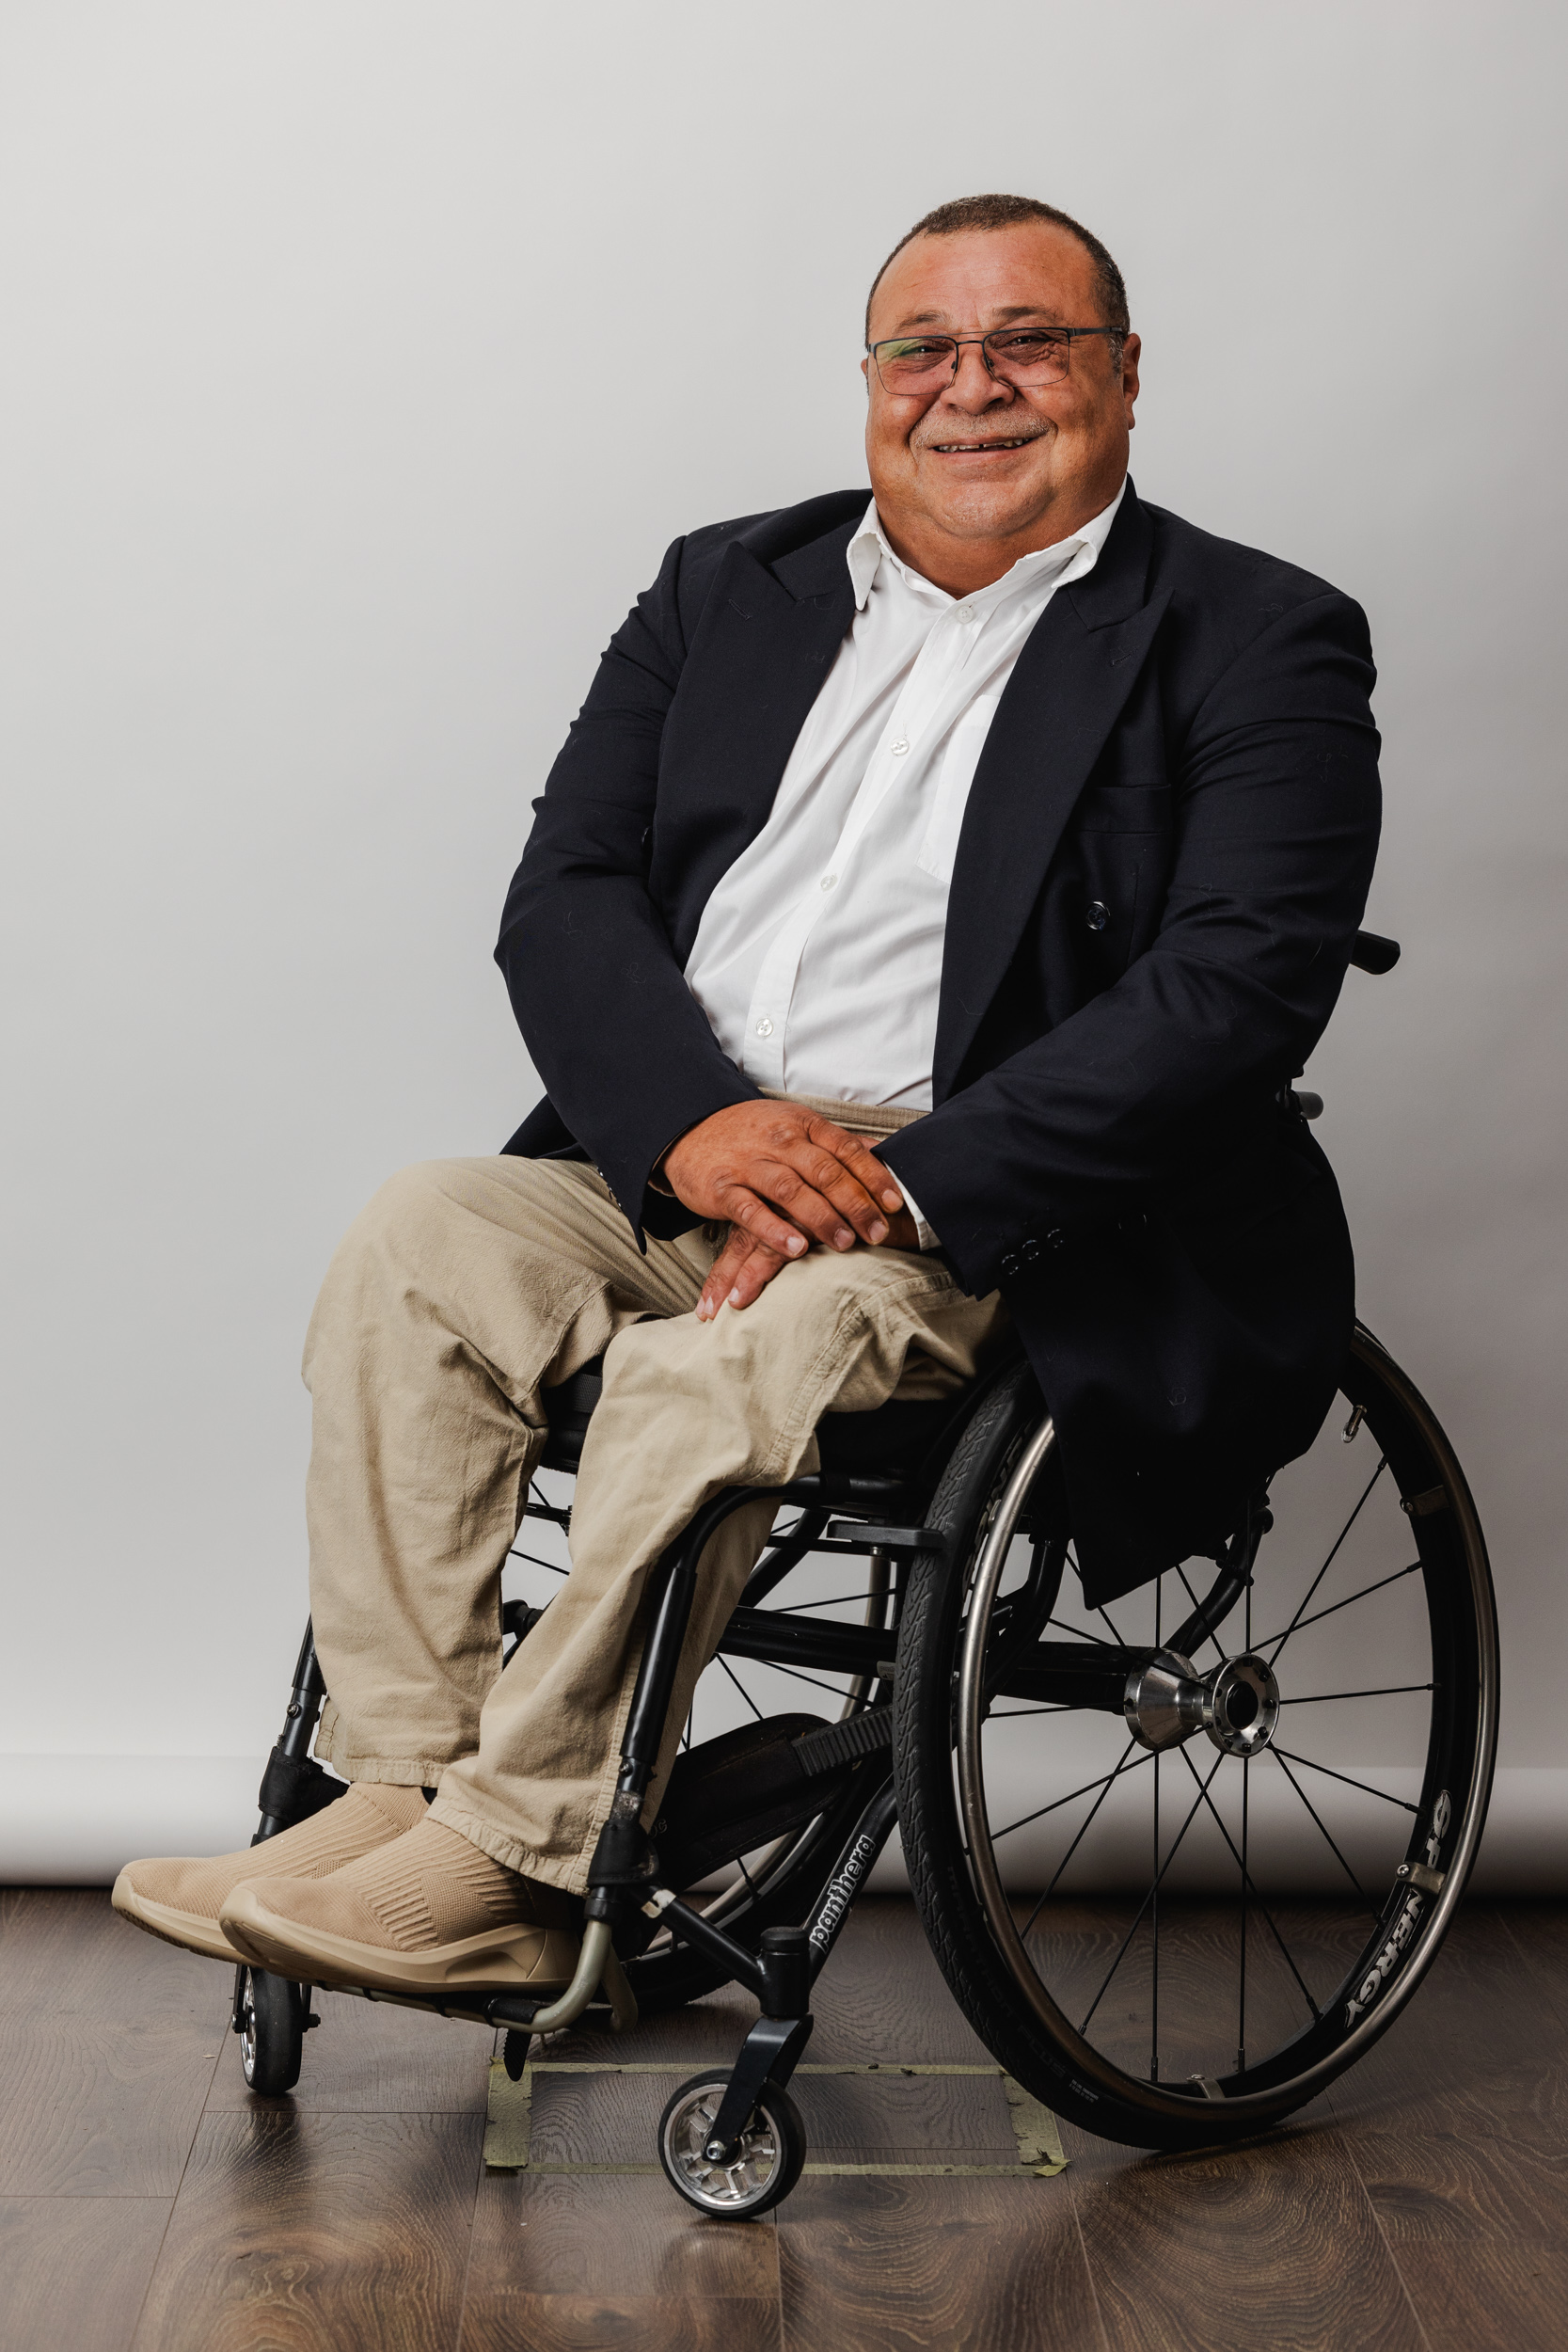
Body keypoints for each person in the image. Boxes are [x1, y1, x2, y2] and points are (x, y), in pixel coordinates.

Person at [113, 193, 1380, 2000]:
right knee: (421, 1237)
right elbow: (567, 896)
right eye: (923, 350)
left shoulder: (1255, 632)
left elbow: (1239, 985)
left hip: (1004, 1206)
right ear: (869, 382)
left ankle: (524, 1854)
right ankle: (396, 1792)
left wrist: (904, 1180)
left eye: (1030, 342)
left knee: (733, 1356)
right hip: (687, 1147)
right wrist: (700, 1128)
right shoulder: (731, 583)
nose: (974, 388)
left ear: (1122, 376)